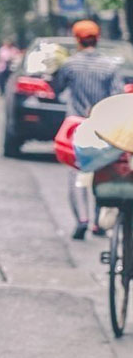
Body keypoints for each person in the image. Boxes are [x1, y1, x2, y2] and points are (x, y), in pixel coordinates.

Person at [51, 20, 124, 240]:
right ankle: (98, 222)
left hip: (76, 127)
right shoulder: (110, 66)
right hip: (104, 128)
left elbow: (56, 89)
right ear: (97, 38)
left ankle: (82, 219)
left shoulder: (70, 65)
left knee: (77, 172)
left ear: (77, 40)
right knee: (104, 172)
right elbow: (117, 97)